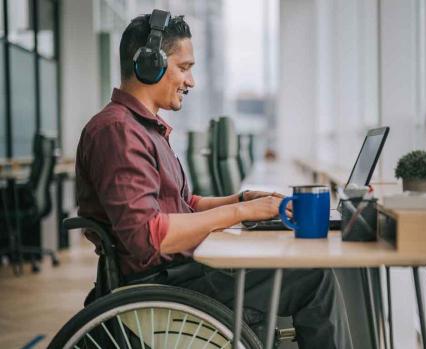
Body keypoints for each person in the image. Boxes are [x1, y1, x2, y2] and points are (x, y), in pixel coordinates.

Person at [75, 12, 352, 349]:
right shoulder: (118, 131)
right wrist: (242, 214)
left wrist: (242, 200)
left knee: (304, 272)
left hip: (181, 271)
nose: (191, 81)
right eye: (184, 67)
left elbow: (183, 205)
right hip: (164, 285)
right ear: (149, 64)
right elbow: (148, 238)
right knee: (313, 278)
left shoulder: (143, 128)